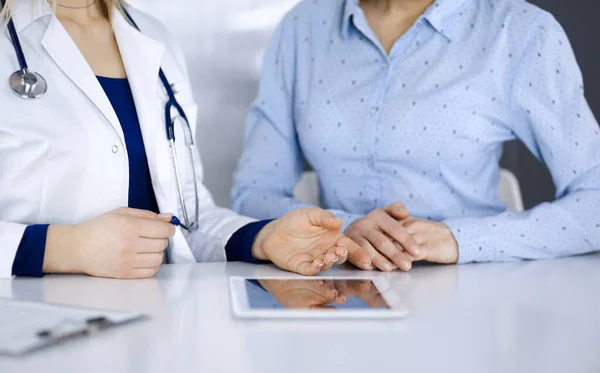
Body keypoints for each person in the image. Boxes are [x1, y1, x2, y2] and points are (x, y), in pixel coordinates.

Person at [0, 0, 374, 279]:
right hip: (34, 323)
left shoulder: (152, 38)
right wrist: (63, 249)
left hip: (158, 322)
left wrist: (262, 238)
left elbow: (187, 219)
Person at [231, 0, 600, 272]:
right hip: (337, 291)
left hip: (474, 293)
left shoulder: (519, 32)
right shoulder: (301, 28)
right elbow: (252, 194)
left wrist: (460, 239)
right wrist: (343, 226)